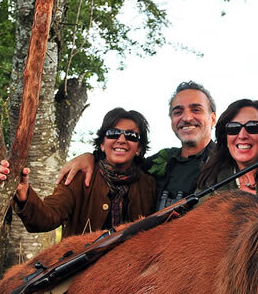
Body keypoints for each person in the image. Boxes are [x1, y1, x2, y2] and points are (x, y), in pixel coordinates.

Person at [0, 107, 156, 237]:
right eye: (113, 133)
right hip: (82, 271)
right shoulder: (78, 176)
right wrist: (24, 193)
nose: (121, 139)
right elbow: (47, 217)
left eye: (131, 136)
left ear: (139, 148)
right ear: (101, 144)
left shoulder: (150, 184)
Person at [57, 81, 217, 210]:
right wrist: (90, 157)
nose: (187, 117)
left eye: (196, 109)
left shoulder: (226, 161)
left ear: (213, 118)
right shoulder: (160, 161)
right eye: (178, 112)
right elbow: (120, 164)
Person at [196, 99, 258, 206]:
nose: (242, 135)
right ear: (226, 139)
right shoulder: (210, 182)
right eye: (233, 128)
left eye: (253, 127)